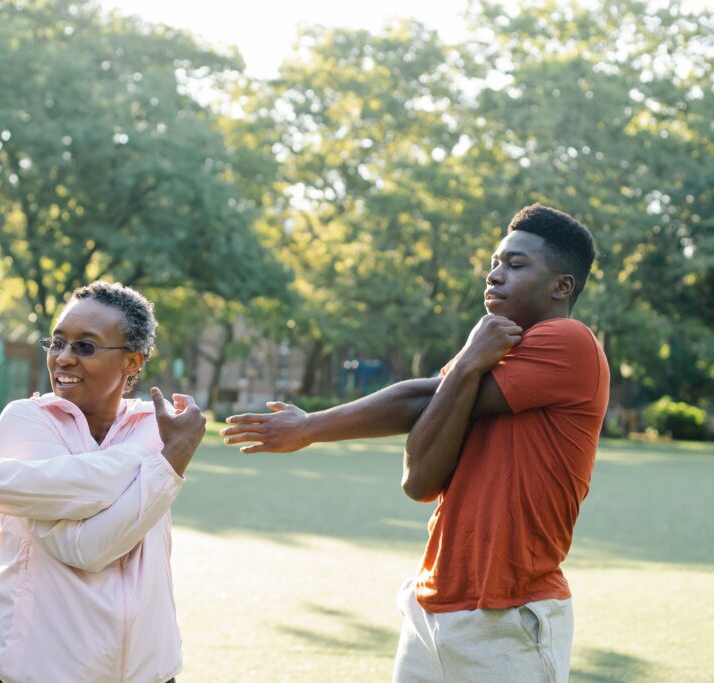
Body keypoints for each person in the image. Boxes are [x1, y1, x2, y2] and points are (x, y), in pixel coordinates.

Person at [221, 203, 610, 682]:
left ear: (562, 286)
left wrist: (311, 428)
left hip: (510, 615)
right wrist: (468, 363)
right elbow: (420, 479)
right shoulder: (488, 358)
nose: (494, 275)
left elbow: (420, 400)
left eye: (515, 264)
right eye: (494, 262)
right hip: (433, 604)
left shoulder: (569, 341)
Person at [0, 281, 206, 683]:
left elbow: (80, 484)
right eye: (57, 342)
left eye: (85, 346)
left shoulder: (154, 422)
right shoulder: (26, 420)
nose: (63, 358)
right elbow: (85, 547)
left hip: (150, 672)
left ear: (132, 362)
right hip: (40, 672)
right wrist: (170, 462)